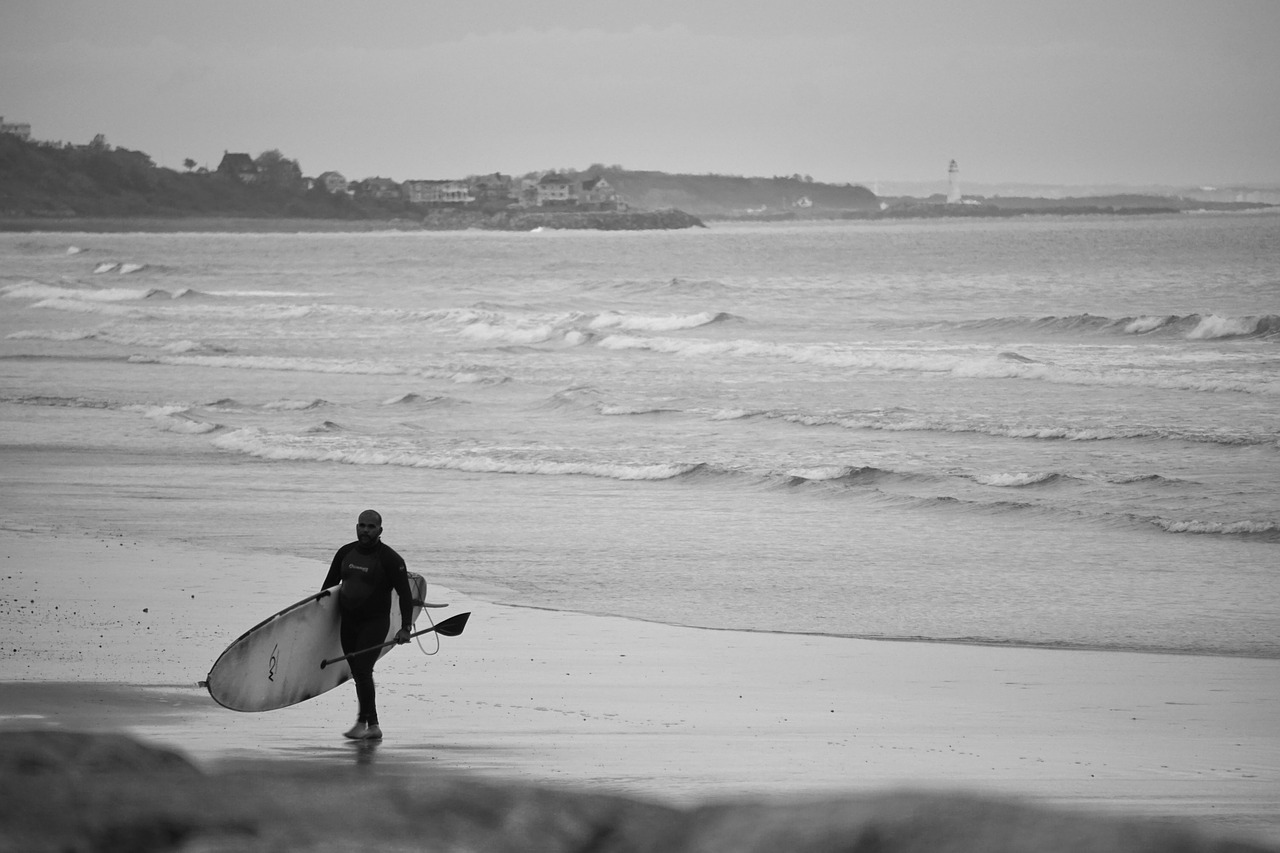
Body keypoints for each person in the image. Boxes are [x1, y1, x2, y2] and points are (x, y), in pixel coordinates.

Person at [322, 509, 413, 740]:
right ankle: (367, 723)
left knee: (362, 670)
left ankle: (370, 725)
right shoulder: (345, 553)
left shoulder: (391, 560)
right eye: (362, 525)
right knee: (357, 670)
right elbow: (328, 588)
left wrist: (405, 628)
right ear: (356, 527)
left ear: (380, 530)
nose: (365, 530)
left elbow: (405, 595)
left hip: (375, 622)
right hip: (348, 621)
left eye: (371, 527)